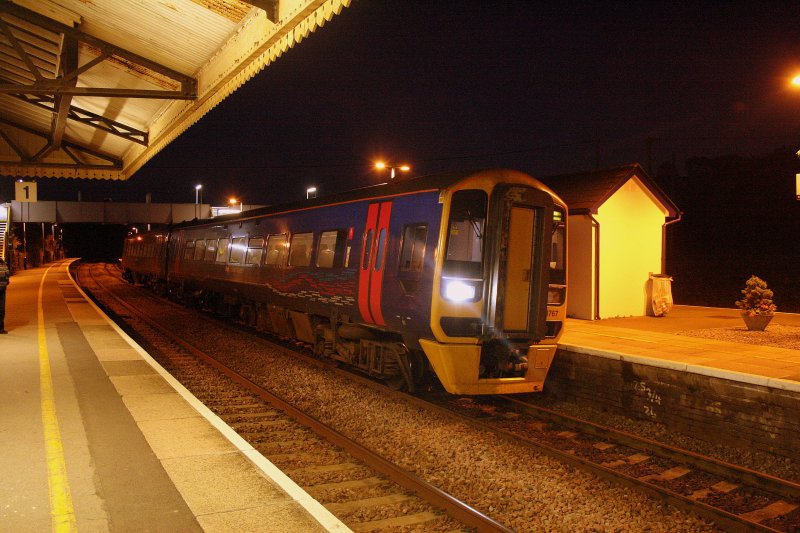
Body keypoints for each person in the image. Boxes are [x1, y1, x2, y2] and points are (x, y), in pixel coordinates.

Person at [0, 257, 8, 334]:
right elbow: (7, 275)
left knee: (1, 310)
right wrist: (5, 283)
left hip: (2, 289)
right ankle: (1, 328)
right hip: (2, 289)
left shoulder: (3, 264)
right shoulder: (3, 264)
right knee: (2, 310)